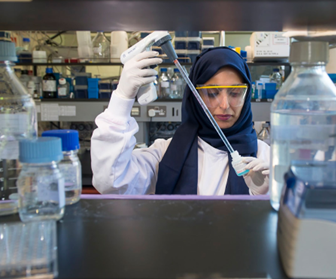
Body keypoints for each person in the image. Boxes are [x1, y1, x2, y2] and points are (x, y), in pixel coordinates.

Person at [91, 47, 270, 195]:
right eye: (213, 93)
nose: (224, 105)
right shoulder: (165, 154)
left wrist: (265, 195)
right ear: (195, 96)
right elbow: (111, 182)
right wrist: (122, 99)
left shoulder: (264, 158)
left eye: (235, 93)